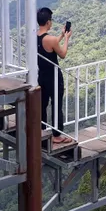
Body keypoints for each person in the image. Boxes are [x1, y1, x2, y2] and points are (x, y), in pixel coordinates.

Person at [36, 7, 73, 145]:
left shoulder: (36, 37)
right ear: (47, 22)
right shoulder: (51, 39)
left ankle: (42, 131)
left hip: (42, 76)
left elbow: (49, 46)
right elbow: (62, 54)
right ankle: (57, 135)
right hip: (54, 77)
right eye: (50, 20)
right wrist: (67, 39)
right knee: (56, 105)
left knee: (43, 104)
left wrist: (61, 35)